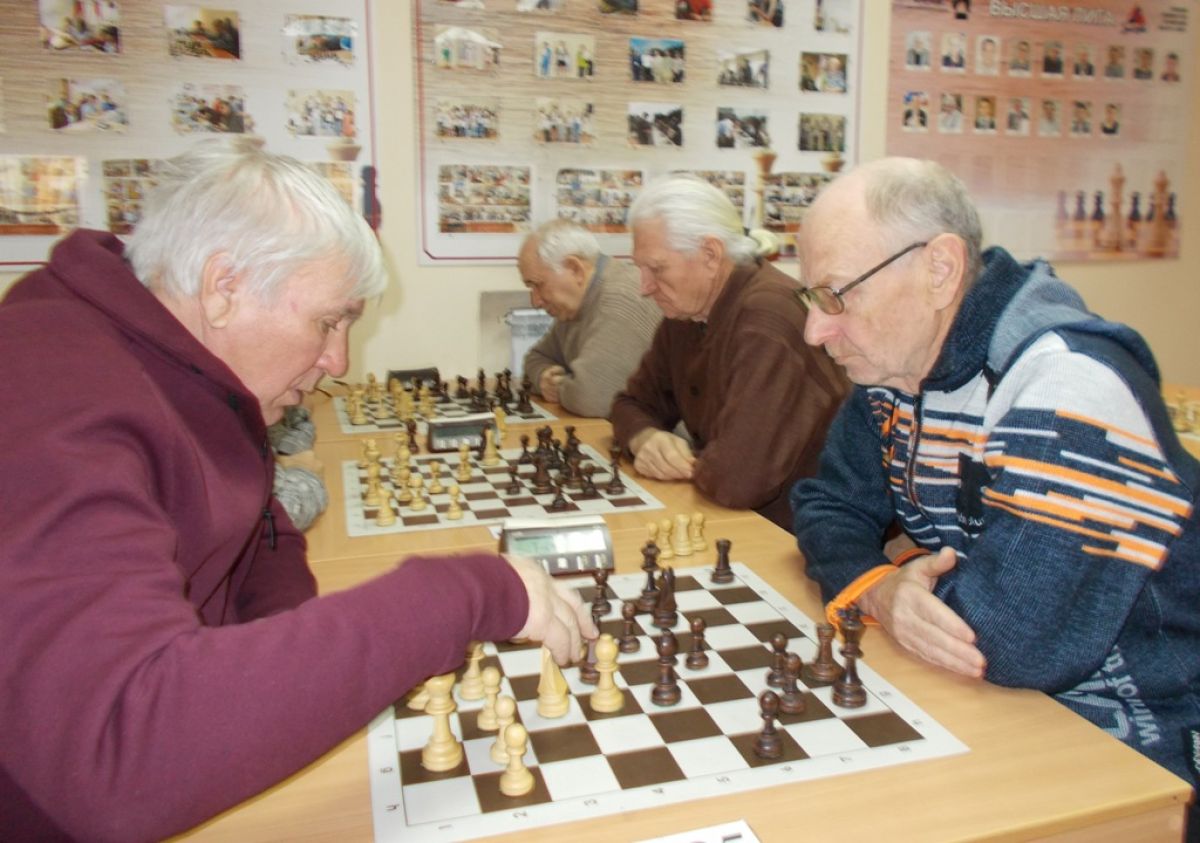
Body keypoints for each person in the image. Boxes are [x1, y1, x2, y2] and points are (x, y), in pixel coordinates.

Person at [0, 139, 595, 841]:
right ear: (224, 287)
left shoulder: (170, 361)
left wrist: (288, 673)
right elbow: (116, 756)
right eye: (328, 322)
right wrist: (466, 594)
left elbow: (258, 527)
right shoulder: (50, 399)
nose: (337, 360)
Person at [790, 157, 1200, 842]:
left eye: (836, 296)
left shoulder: (1070, 386)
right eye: (811, 298)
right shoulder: (895, 371)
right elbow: (825, 505)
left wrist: (906, 573)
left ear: (940, 269)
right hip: (994, 698)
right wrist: (880, 589)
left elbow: (1007, 638)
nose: (815, 332)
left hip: (1143, 733)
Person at [611, 175, 849, 528]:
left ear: (711, 254)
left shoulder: (766, 318)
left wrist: (684, 461)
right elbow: (629, 404)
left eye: (656, 268)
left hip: (799, 531)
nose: (644, 287)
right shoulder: (688, 312)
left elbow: (738, 480)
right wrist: (646, 437)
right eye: (640, 268)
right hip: (736, 515)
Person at [520, 219, 661, 418]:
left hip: (667, 435)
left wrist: (560, 387)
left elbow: (592, 398)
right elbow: (535, 359)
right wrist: (543, 378)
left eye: (538, 285)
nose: (535, 301)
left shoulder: (620, 298)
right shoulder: (573, 308)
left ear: (575, 269)